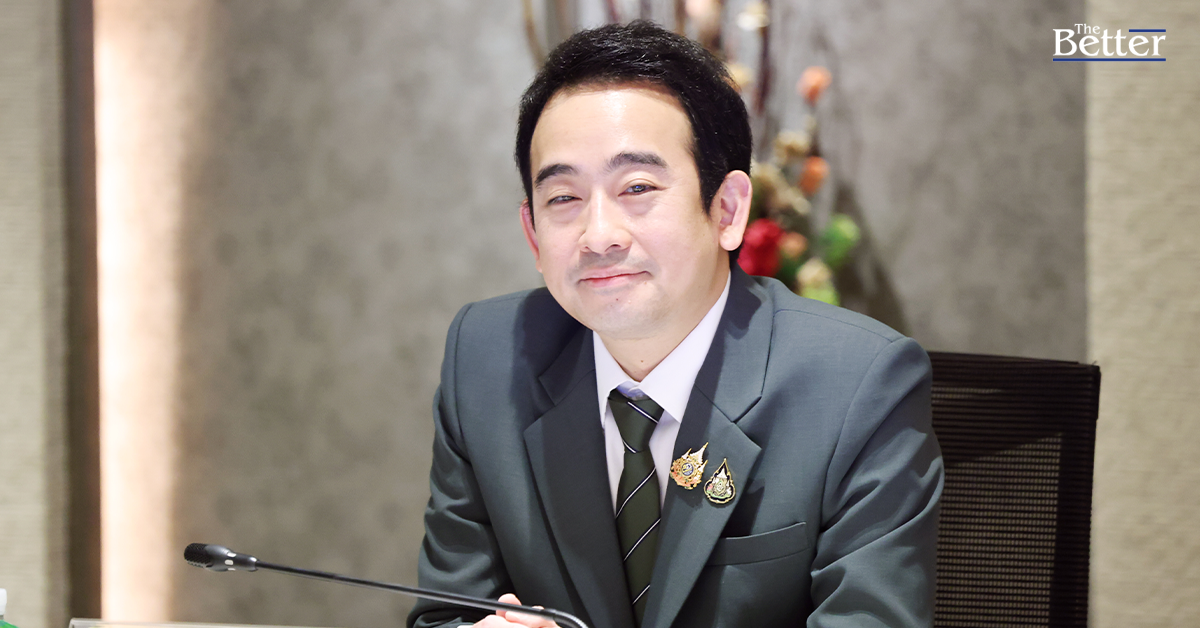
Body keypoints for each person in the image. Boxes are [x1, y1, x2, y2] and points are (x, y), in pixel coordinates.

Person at [408, 20, 942, 628]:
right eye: (564, 198)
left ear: (728, 210)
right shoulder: (486, 359)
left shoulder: (858, 385)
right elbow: (445, 614)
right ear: (533, 235)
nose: (599, 236)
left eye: (637, 187)